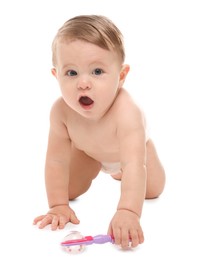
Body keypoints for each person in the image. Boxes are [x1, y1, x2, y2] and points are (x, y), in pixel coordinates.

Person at [33, 15, 165, 250]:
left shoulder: (127, 112)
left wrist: (127, 211)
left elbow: (135, 165)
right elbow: (56, 160)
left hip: (132, 155)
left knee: (152, 190)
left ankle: (121, 171)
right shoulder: (61, 112)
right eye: (71, 73)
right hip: (89, 153)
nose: (83, 83)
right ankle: (104, 170)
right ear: (57, 76)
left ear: (121, 76)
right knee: (69, 190)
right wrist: (57, 205)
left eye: (97, 71)